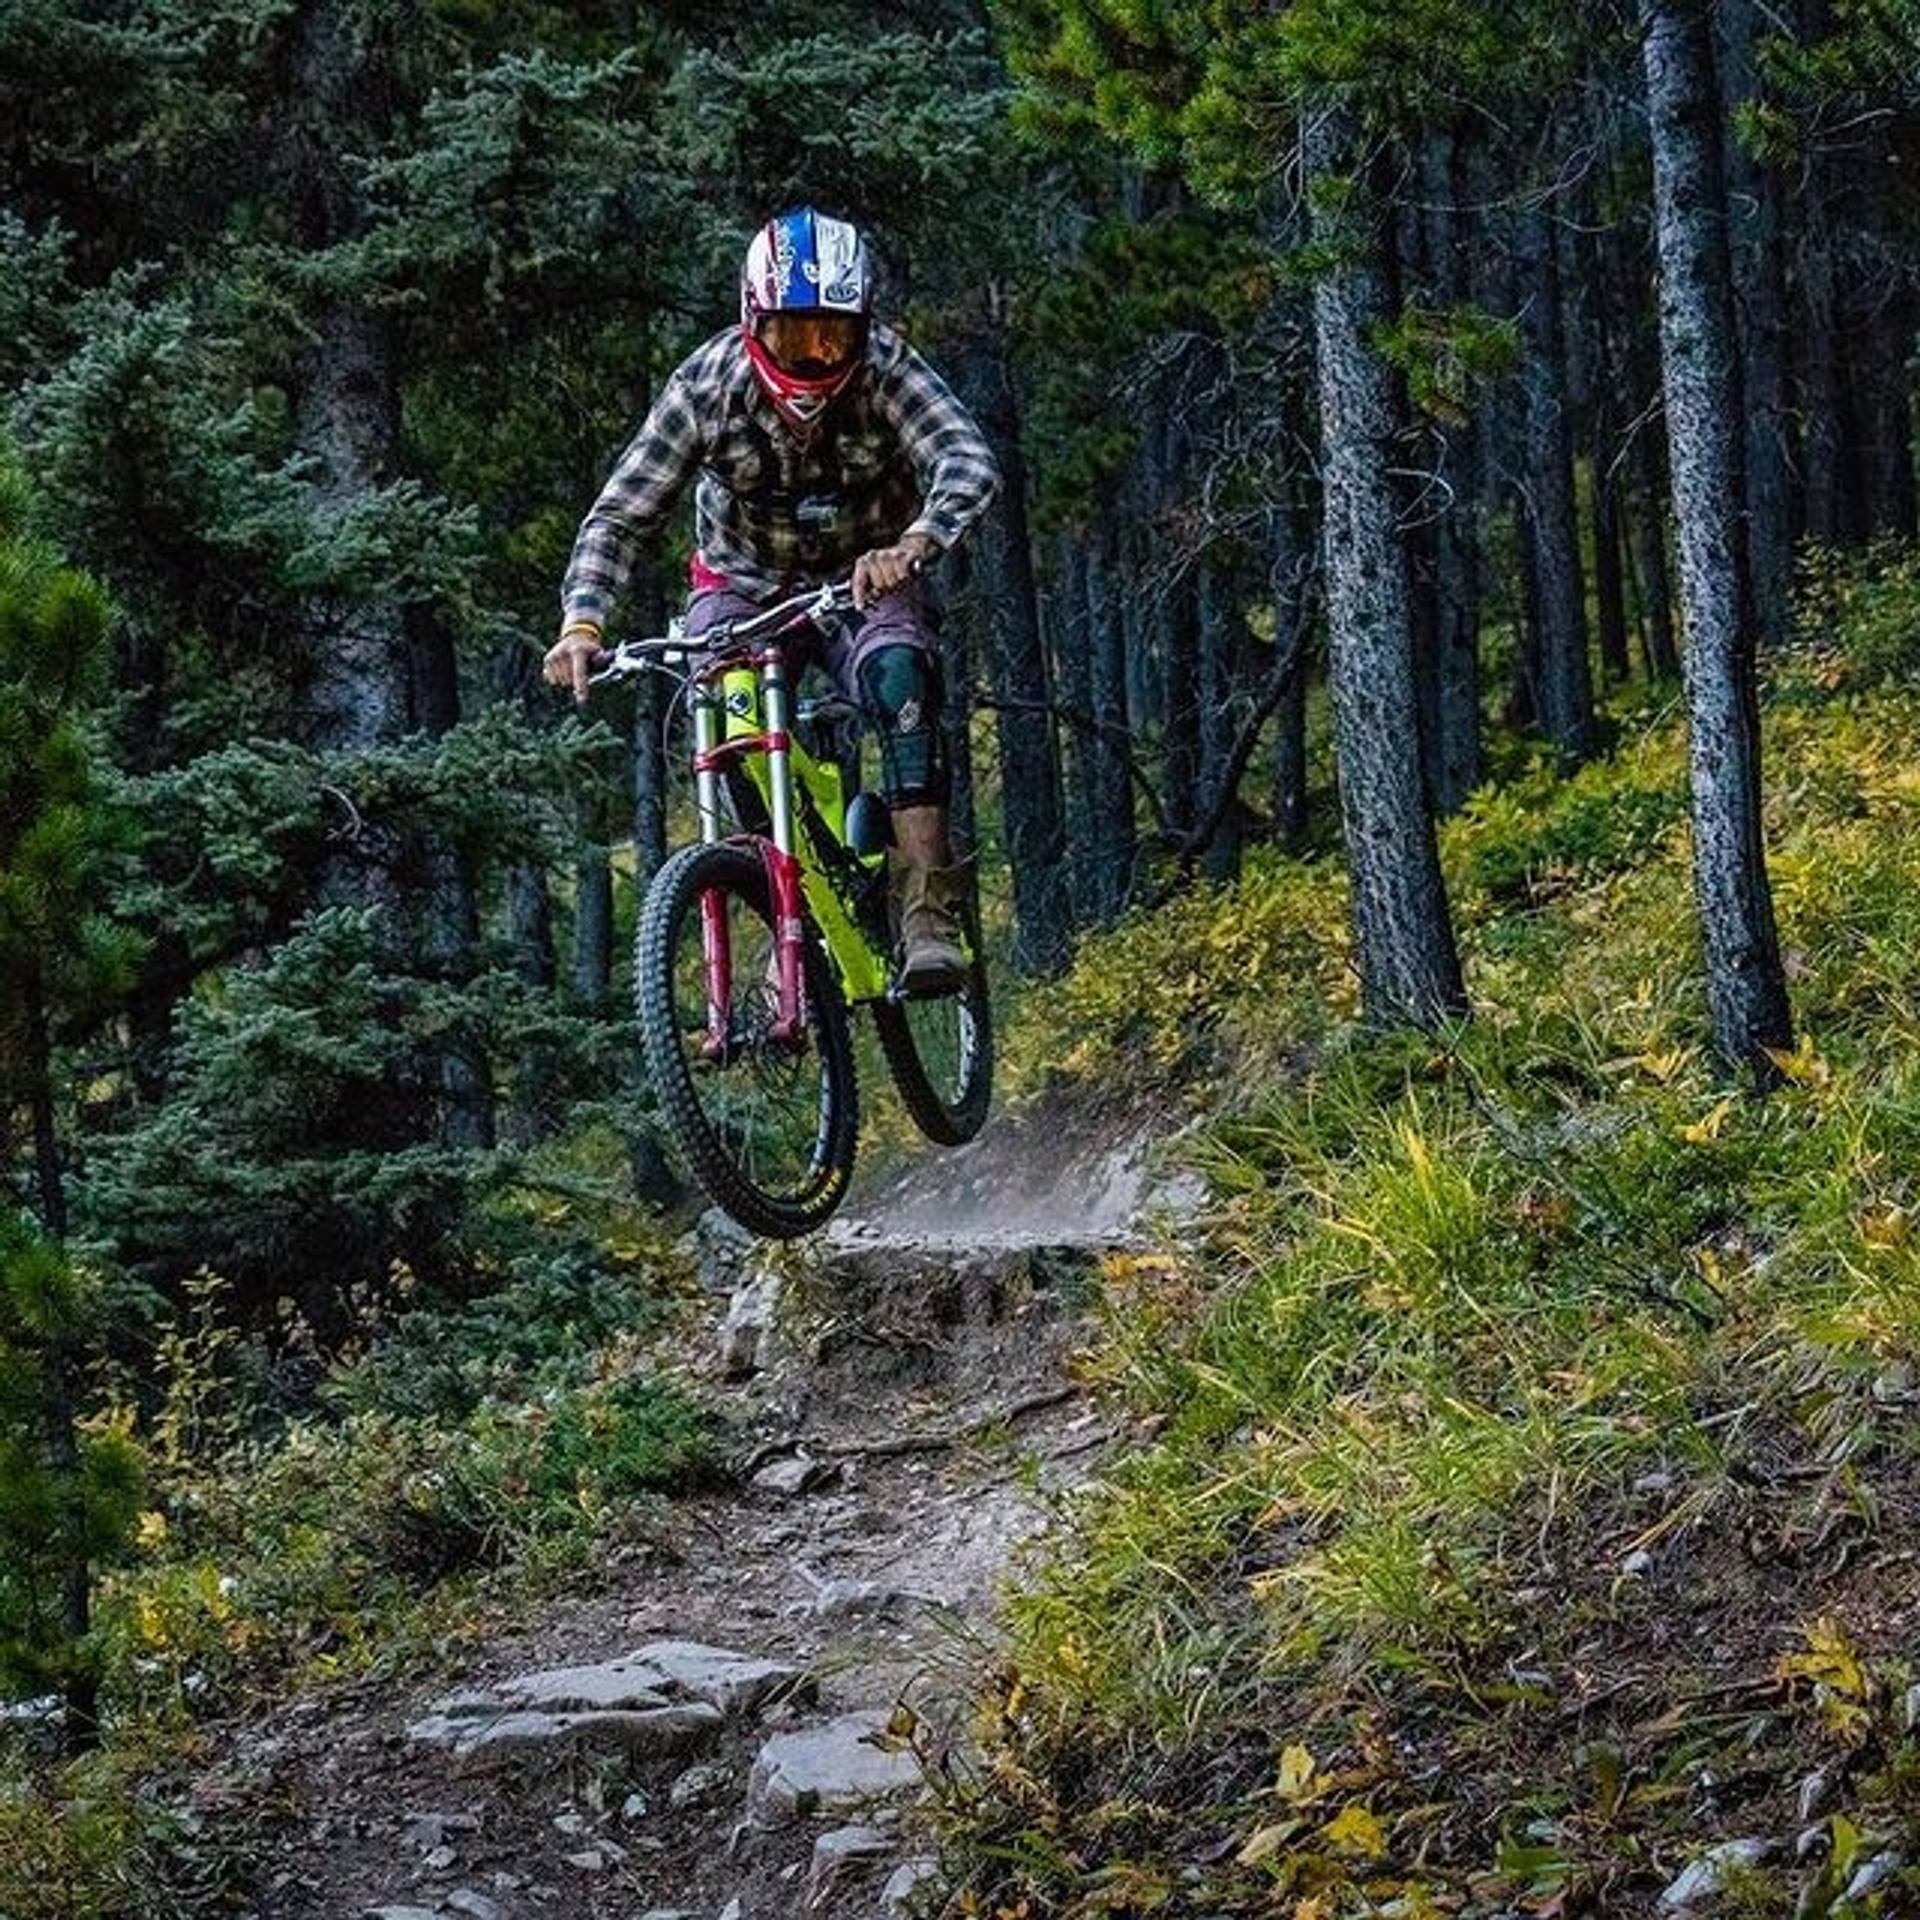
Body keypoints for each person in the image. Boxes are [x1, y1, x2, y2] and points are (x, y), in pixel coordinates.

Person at [545, 206, 1001, 989]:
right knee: (726, 711)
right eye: (793, 338)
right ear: (753, 323)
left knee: (902, 680)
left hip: (866, 576)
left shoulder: (888, 367)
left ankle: (928, 909)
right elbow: (621, 513)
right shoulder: (706, 386)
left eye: (832, 337)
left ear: (863, 327)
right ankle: (779, 913)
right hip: (742, 583)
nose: (814, 358)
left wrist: (916, 541)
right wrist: (582, 621)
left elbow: (966, 458)